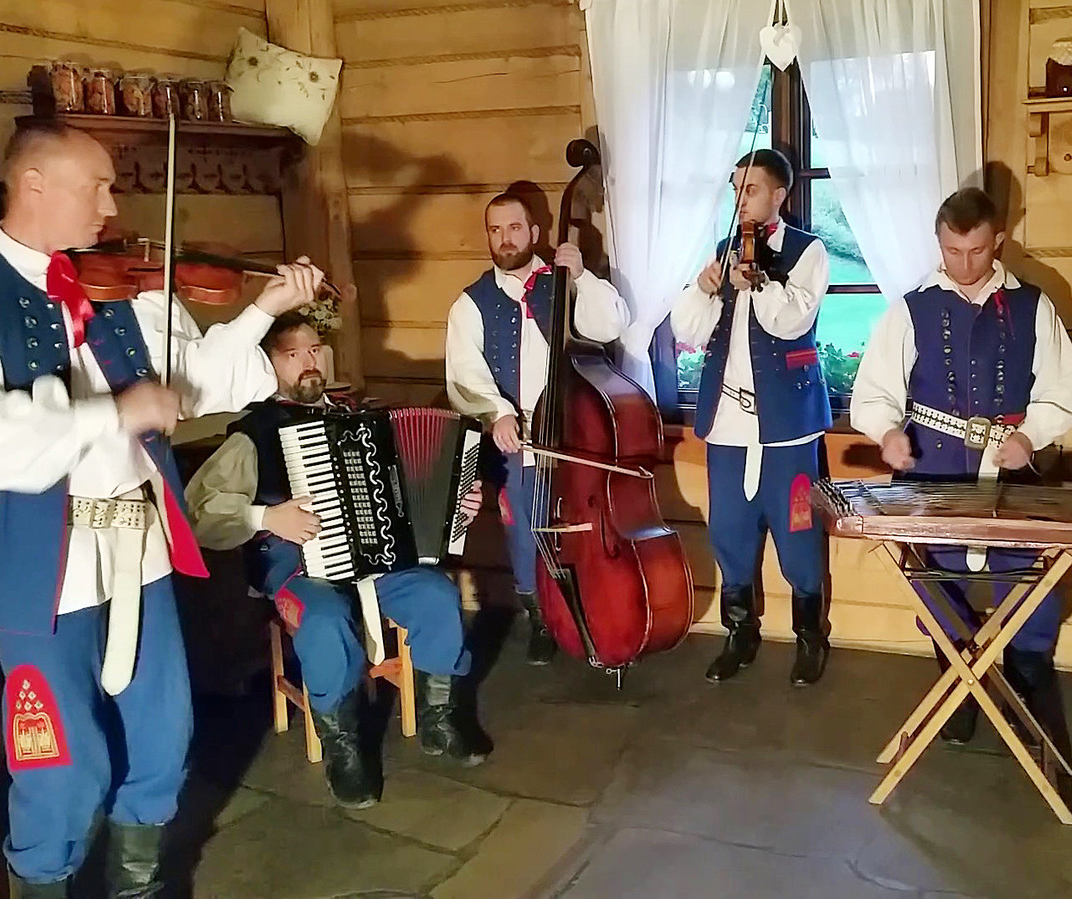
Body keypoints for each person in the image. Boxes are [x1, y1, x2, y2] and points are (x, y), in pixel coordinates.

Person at [0, 119, 323, 897]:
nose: (111, 203)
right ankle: (43, 878)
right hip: (37, 562)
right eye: (95, 186)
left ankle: (137, 883)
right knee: (62, 760)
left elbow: (194, 381)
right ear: (34, 185)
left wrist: (263, 311)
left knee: (163, 734)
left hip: (137, 544)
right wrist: (116, 412)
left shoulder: (123, 285)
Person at [185, 313, 491, 809]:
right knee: (325, 621)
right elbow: (200, 512)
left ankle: (441, 717)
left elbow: (412, 493)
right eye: (292, 354)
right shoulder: (254, 433)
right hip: (298, 568)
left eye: (314, 350)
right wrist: (267, 516)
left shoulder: (364, 417)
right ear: (269, 364)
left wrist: (457, 505)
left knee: (437, 595)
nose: (308, 362)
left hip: (380, 562)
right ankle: (343, 747)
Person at [851, 187, 1072, 744]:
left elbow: (1063, 392)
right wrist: (888, 433)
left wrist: (1030, 436)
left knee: (1028, 586)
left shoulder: (1033, 305)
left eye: (976, 250)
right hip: (931, 471)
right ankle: (958, 689)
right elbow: (874, 391)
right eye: (952, 251)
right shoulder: (912, 308)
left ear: (997, 240)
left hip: (1012, 469)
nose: (963, 264)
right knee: (935, 583)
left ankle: (1026, 696)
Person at [443, 190, 631, 664]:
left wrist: (582, 276)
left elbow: (611, 326)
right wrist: (497, 412)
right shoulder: (472, 303)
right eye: (495, 230)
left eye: (514, 228)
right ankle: (541, 618)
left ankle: (591, 608)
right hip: (518, 437)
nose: (505, 239)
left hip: (576, 431)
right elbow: (464, 372)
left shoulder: (563, 281)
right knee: (524, 528)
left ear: (534, 232)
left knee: (583, 523)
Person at [672, 148, 834, 686]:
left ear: (779, 195)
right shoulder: (724, 251)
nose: (740, 199)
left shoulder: (809, 252)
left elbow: (791, 322)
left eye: (752, 188)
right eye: (736, 188)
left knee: (797, 532)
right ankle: (740, 634)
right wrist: (705, 288)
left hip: (787, 424)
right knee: (729, 531)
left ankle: (810, 637)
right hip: (727, 422)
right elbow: (690, 332)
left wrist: (759, 282)